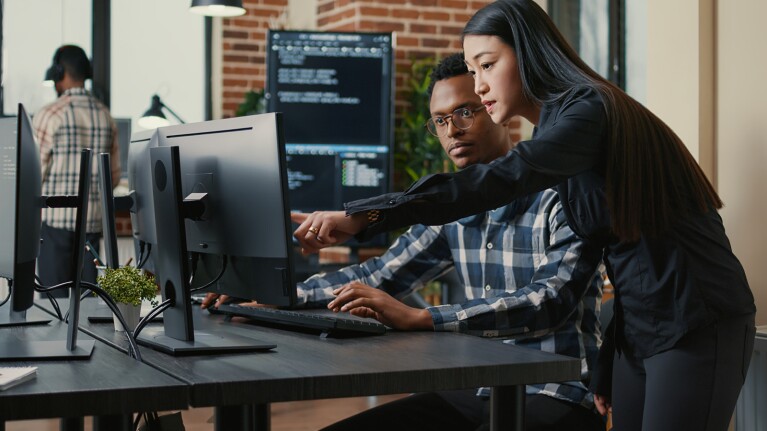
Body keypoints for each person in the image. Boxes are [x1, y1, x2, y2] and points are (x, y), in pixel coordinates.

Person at [292, 2, 757, 431]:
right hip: (638, 329)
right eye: (473, 71)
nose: (479, 85)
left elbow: (503, 179)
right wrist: (612, 356)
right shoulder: (563, 128)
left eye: (488, 66)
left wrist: (367, 215)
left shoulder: (588, 111)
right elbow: (631, 254)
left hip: (696, 319)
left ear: (530, 53)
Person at [209, 53, 605, 430]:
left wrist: (424, 317)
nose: (452, 130)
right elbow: (379, 274)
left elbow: (549, 301)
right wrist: (271, 298)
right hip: (478, 387)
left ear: (496, 108)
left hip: (558, 391)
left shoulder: (562, 193)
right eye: (440, 120)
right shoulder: (450, 208)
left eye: (465, 112)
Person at [33, 45, 120, 296]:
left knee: (54, 309)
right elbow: (112, 177)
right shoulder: (106, 116)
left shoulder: (49, 114)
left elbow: (34, 176)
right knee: (89, 311)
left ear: (59, 73)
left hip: (55, 228)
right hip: (91, 229)